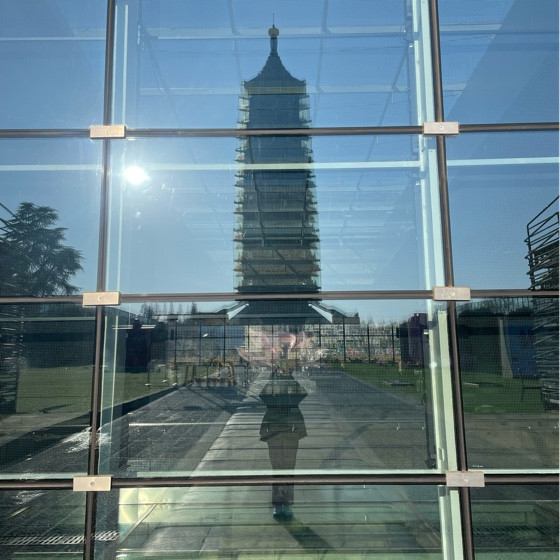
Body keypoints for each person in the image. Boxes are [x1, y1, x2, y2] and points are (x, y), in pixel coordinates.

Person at [259, 369, 307, 521]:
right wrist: (272, 378)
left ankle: (285, 503)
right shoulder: (274, 399)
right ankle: (280, 503)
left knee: (286, 470)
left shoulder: (290, 399)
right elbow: (263, 394)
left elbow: (302, 392)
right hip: (279, 434)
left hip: (286, 433)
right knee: (279, 470)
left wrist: (289, 376)